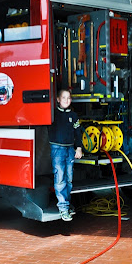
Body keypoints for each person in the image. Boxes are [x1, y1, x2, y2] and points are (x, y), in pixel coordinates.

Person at [48, 88, 83, 221]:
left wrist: (78, 148)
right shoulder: (53, 114)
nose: (66, 100)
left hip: (70, 149)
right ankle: (63, 208)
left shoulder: (73, 116)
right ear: (58, 99)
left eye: (68, 98)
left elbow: (78, 133)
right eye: (63, 97)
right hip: (57, 149)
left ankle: (66, 204)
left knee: (69, 179)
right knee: (60, 178)